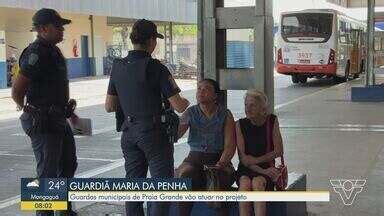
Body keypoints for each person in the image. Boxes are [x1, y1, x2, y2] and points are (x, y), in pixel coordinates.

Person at [105, 19, 190, 216]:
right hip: (154, 135)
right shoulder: (155, 67)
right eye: (155, 40)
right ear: (151, 40)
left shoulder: (118, 66)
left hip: (129, 134)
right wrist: (185, 102)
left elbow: (110, 106)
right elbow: (178, 105)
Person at [11, 8, 78, 216]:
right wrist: (30, 110)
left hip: (58, 118)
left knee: (68, 164)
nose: (62, 30)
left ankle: (64, 210)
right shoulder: (36, 53)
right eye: (58, 26)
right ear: (43, 29)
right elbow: (17, 91)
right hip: (44, 121)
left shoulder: (53, 51)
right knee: (47, 174)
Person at [177, 79, 236, 216]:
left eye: (206, 89)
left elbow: (230, 146)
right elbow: (176, 134)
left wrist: (220, 164)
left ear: (215, 95)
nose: (200, 92)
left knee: (220, 180)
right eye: (199, 89)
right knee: (186, 177)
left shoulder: (225, 114)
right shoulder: (190, 113)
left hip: (218, 160)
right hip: (194, 160)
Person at [235, 90, 284, 216]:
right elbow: (244, 160)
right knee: (245, 183)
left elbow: (278, 151)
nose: (248, 109)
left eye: (252, 105)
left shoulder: (272, 121)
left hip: (267, 167)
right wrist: (262, 170)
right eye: (246, 105)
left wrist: (257, 161)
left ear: (262, 108)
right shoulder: (240, 124)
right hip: (247, 168)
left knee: (257, 183)